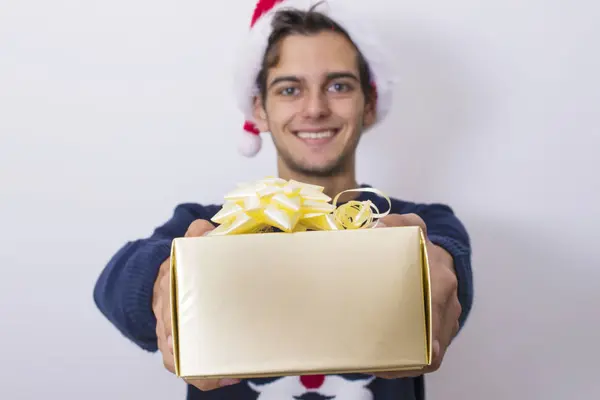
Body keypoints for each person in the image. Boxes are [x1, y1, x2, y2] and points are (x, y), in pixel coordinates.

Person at [93, 0, 474, 399]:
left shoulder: (419, 222)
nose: (315, 109)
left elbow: (451, 267)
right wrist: (162, 282)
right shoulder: (208, 228)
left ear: (370, 104)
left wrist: (433, 267)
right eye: (289, 89)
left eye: (339, 86)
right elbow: (113, 287)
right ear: (259, 109)